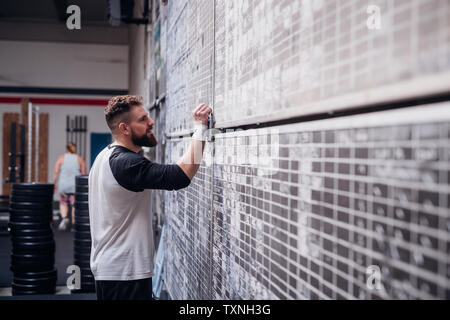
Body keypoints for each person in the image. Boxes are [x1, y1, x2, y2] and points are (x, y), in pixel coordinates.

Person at [89, 95, 211, 300]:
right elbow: (181, 175)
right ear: (124, 129)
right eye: (143, 119)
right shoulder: (126, 164)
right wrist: (201, 128)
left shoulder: (105, 156)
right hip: (124, 273)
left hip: (114, 269)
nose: (151, 122)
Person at [53, 142, 87, 231]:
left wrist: (54, 183)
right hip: (74, 186)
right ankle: (73, 225)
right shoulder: (79, 159)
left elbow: (56, 172)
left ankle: (64, 218)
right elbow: (83, 174)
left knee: (63, 203)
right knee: (74, 205)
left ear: (66, 149)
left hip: (63, 185)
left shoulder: (61, 158)